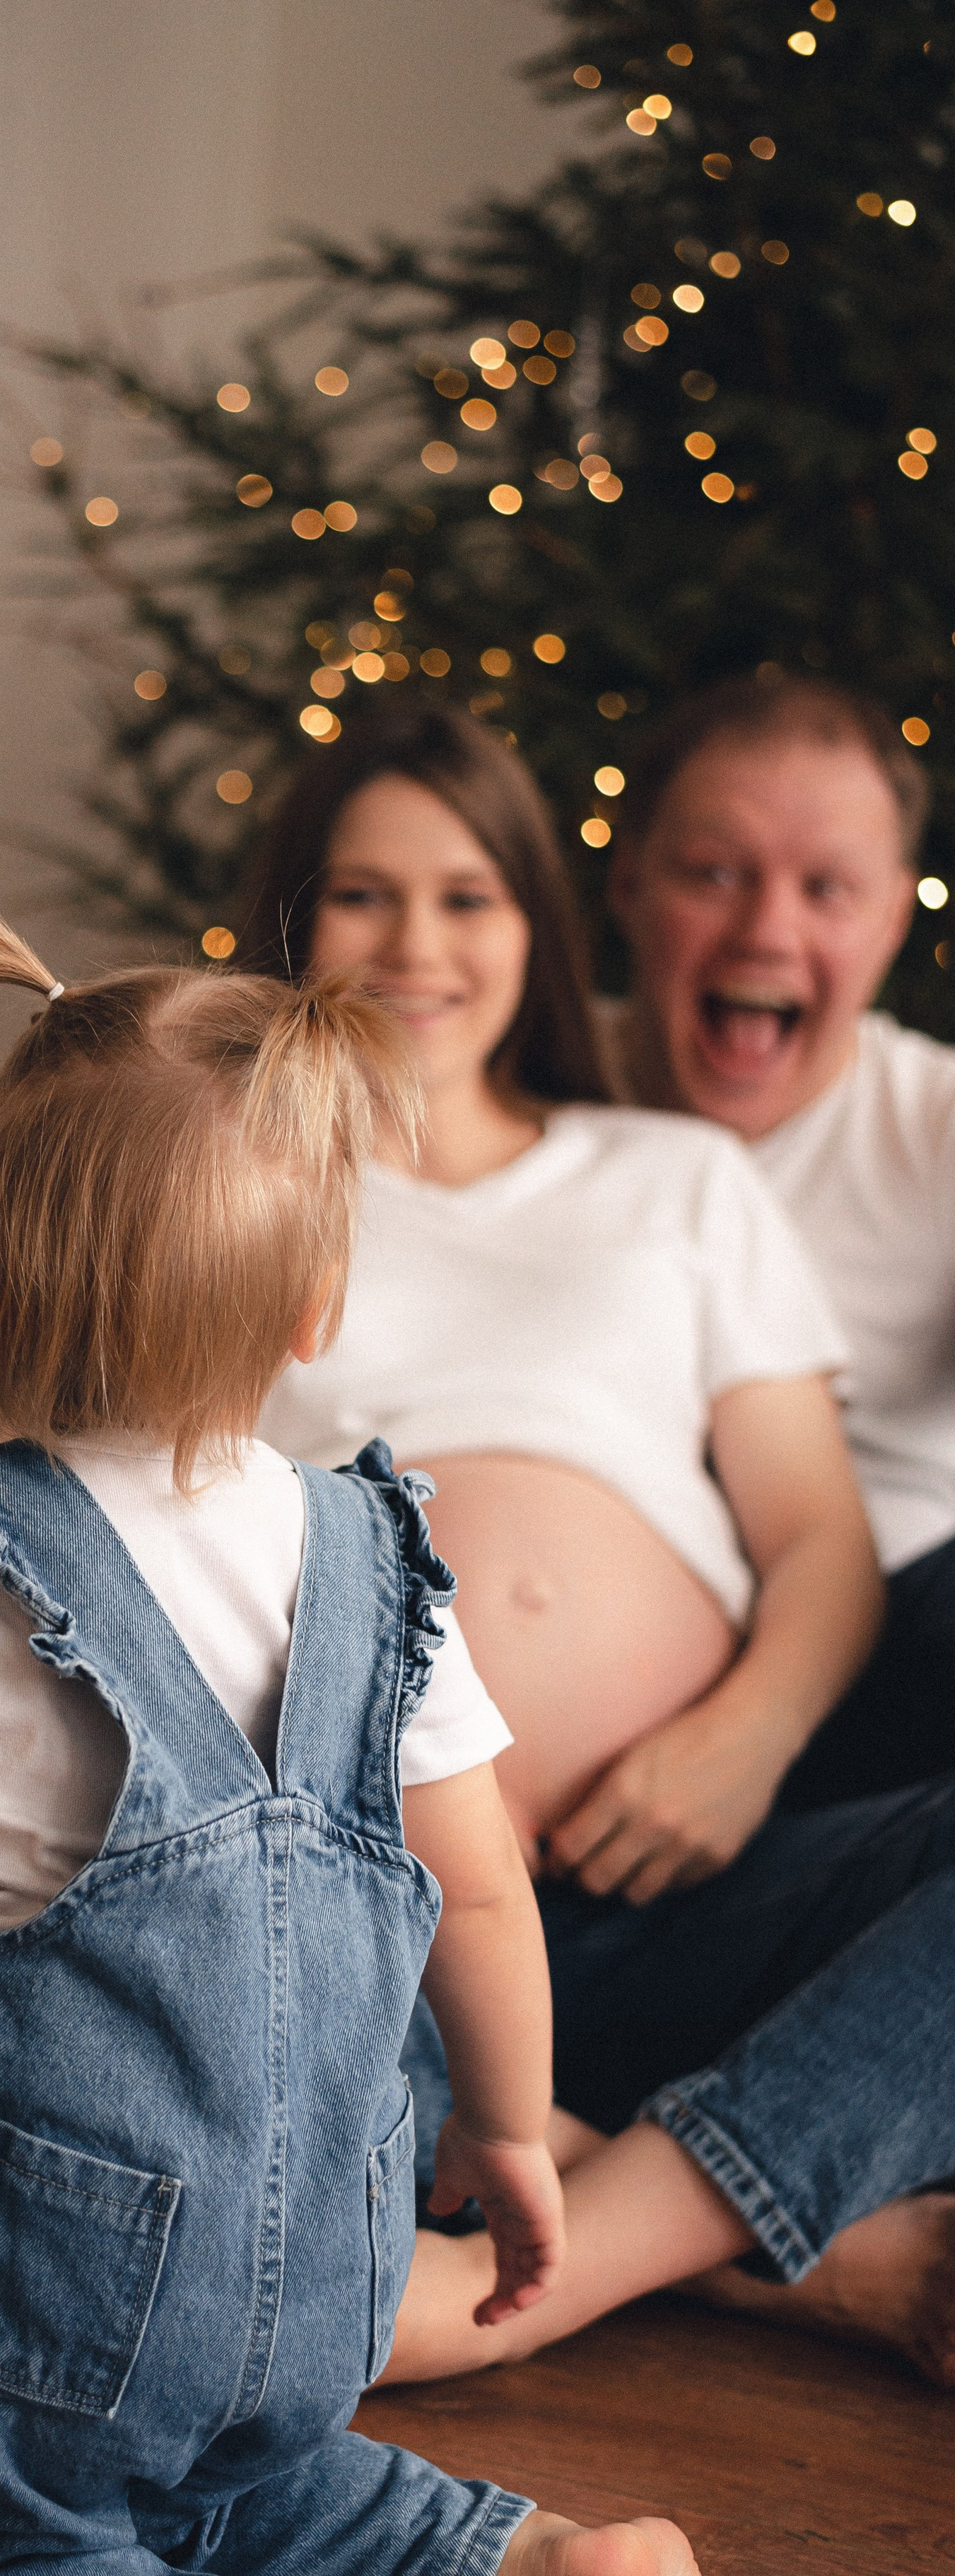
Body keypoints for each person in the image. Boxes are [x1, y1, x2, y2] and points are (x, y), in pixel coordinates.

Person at [0, 900, 749, 2576]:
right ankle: (543, 2570)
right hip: (331, 2264)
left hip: (40, 2277)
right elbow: (477, 1893)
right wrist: (509, 2137)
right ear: (311, 1306)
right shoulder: (374, 1555)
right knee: (238, 2474)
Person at [240, 704, 955, 2386]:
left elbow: (814, 1538)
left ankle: (542, 2242)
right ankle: (769, 2252)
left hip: (669, 1883)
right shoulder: (234, 1188)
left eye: (466, 897)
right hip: (377, 1899)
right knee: (212, 2000)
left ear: (536, 924)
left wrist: (740, 1741)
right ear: (289, 918)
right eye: (360, 894)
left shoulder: (674, 1178)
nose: (415, 946)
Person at [606, 674, 955, 1808]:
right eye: (714, 874)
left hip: (905, 1653)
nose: (767, 931)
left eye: (829, 890)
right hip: (606, 1672)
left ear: (895, 918)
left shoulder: (934, 1125)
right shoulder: (526, 1097)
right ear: (628, 880)